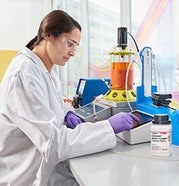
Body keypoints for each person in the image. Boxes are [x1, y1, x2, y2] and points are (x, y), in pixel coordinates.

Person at [0, 10, 139, 186]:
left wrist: (67, 113)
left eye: (76, 46)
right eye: (69, 44)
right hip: (24, 179)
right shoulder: (24, 75)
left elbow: (49, 105)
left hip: (48, 171)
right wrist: (108, 127)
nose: (73, 52)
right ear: (49, 35)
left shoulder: (45, 71)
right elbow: (53, 145)